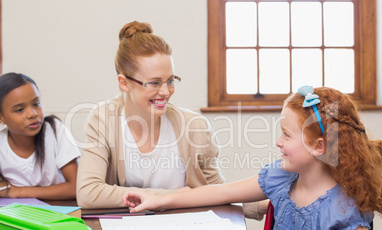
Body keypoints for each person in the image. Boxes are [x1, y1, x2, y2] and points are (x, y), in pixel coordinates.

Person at [123, 86, 382, 230]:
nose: (279, 142)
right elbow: (219, 193)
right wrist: (157, 199)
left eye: (287, 135)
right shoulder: (281, 178)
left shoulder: (344, 207)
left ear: (319, 146)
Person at [75, 20, 266, 219]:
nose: (165, 92)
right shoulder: (104, 119)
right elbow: (89, 192)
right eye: (155, 83)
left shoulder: (194, 127)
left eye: (170, 81)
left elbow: (217, 192)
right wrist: (172, 196)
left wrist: (264, 205)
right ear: (124, 83)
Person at [0, 72, 80, 200]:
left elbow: (76, 187)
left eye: (36, 104)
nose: (32, 114)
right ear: (1, 117)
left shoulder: (54, 130)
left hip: (59, 210)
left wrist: (19, 192)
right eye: (20, 110)